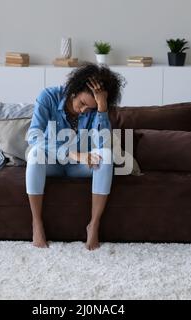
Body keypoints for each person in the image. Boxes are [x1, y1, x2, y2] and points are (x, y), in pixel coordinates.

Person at [25, 63, 125, 250]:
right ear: (74, 90)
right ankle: (36, 223)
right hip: (53, 163)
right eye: (82, 104)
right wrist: (71, 153)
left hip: (80, 167)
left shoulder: (97, 108)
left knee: (107, 155)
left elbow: (102, 143)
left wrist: (102, 108)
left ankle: (94, 225)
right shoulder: (49, 97)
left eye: (91, 108)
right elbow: (34, 136)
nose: (84, 110)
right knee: (35, 154)